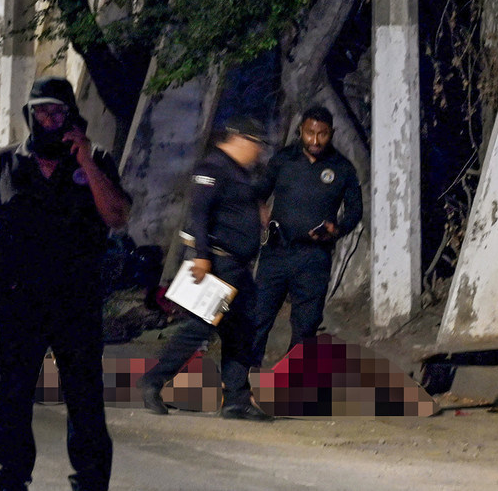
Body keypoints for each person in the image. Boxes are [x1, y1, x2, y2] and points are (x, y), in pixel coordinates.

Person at [0, 77, 131, 491]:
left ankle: (89, 481)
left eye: (56, 111)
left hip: (77, 301)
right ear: (30, 115)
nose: (48, 119)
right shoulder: (6, 163)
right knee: (11, 397)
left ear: (71, 114)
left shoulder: (97, 159)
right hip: (18, 302)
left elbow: (117, 216)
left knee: (84, 397)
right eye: (41, 111)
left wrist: (86, 161)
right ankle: (12, 477)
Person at [138, 116, 272, 422]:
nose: (258, 152)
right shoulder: (213, 168)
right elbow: (199, 214)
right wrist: (201, 256)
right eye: (256, 144)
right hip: (218, 263)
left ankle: (237, 398)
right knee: (200, 327)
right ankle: (153, 380)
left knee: (241, 330)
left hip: (238, 267)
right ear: (240, 140)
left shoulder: (238, 173)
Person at [250, 105, 362, 367]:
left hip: (314, 256)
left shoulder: (342, 168)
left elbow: (355, 210)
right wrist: (260, 208)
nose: (315, 140)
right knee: (258, 316)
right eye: (310, 133)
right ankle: (240, 382)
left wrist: (338, 229)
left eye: (322, 134)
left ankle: (291, 382)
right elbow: (259, 191)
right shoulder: (282, 160)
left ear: (331, 133)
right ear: (301, 130)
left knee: (307, 323)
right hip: (276, 251)